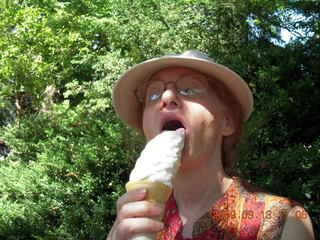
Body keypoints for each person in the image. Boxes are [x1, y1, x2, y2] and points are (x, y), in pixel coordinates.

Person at [108, 50, 315, 240]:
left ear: (227, 121)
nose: (167, 96)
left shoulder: (285, 222)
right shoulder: (130, 222)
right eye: (153, 94)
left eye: (189, 89)